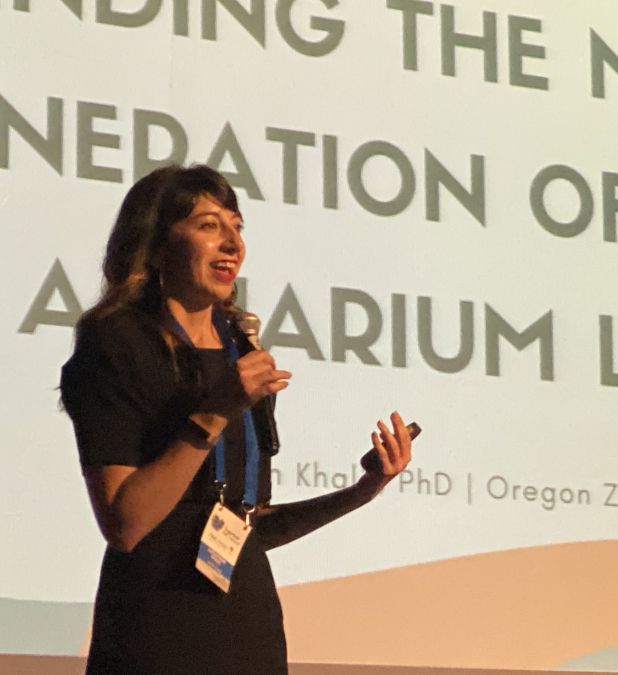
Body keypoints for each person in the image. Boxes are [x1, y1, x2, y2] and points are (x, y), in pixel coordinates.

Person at [59, 164, 413, 674]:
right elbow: (126, 522)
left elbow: (245, 524)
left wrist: (364, 490)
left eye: (237, 226)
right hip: (158, 624)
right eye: (208, 225)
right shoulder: (116, 344)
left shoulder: (241, 350)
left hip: (246, 620)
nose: (232, 243)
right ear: (156, 246)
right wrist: (214, 412)